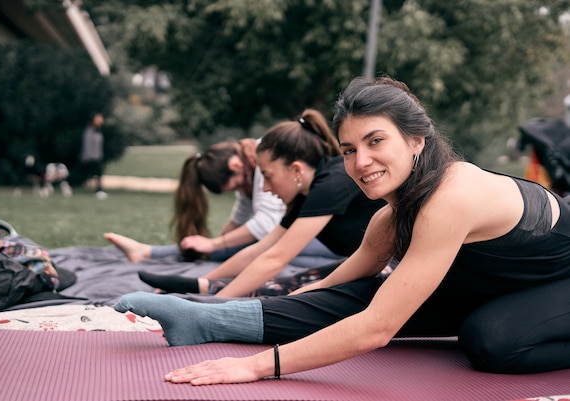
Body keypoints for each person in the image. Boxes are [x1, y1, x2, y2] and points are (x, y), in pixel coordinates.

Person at [114, 76, 570, 384]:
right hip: (502, 286)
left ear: (416, 140)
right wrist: (264, 309)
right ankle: (208, 317)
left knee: (488, 340)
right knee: (364, 293)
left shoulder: (452, 196)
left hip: (558, 285)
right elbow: (340, 282)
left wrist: (255, 367)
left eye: (376, 141)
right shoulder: (391, 217)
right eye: (349, 149)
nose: (361, 162)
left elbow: (376, 329)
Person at [137, 109, 386, 297]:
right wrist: (206, 280)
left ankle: (209, 292)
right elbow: (260, 250)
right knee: (300, 282)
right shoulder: (307, 193)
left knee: (299, 291)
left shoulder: (331, 183)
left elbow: (274, 259)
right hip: (372, 266)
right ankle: (203, 286)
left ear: (296, 169)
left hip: (396, 269)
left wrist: (211, 306)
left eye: (267, 176)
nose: (265, 188)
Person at [105, 138, 340, 265]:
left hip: (326, 236)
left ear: (235, 166)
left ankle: (149, 252)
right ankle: (149, 252)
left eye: (236, 185)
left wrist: (215, 246)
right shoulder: (249, 171)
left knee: (257, 250)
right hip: (313, 235)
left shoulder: (265, 164)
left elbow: (266, 224)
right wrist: (211, 245)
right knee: (247, 249)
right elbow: (239, 219)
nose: (240, 190)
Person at [80, 112, 106, 199]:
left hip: (97, 157)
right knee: (90, 174)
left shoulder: (98, 131)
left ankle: (99, 190)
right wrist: (86, 157)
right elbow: (86, 145)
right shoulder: (89, 131)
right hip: (90, 157)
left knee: (98, 174)